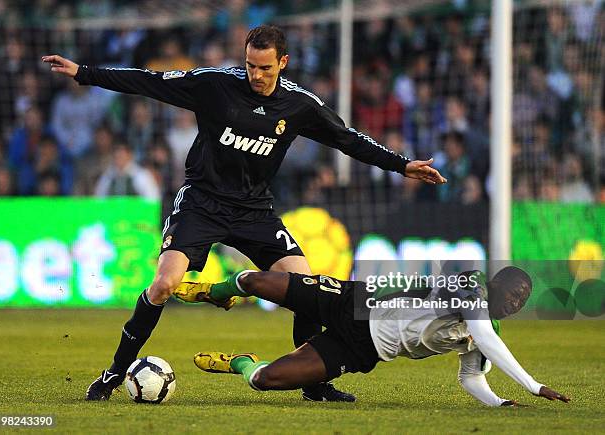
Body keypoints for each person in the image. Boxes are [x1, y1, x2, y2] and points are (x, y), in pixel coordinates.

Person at [42, 25, 446, 402]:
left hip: (254, 210)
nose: (255, 74)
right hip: (202, 202)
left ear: (282, 63)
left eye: (265, 68)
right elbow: (149, 82)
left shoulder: (300, 104)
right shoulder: (215, 85)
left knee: (305, 287)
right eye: (251, 65)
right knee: (165, 284)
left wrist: (402, 164)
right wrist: (84, 73)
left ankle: (315, 385)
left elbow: (346, 139)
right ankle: (115, 371)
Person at [177, 267, 570, 407]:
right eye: (514, 291)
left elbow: (471, 376)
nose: (518, 301)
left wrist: (499, 402)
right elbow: (483, 333)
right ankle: (214, 293)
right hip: (355, 301)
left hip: (362, 348)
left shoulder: (485, 335)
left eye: (524, 299)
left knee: (265, 380)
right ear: (496, 283)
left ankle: (240, 361)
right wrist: (534, 386)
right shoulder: (471, 286)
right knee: (254, 280)